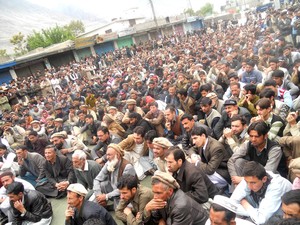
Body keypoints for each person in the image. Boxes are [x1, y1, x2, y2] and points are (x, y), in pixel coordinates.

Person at [228, 121, 286, 186]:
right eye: (251, 136)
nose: (253, 139)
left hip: (274, 178)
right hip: (255, 174)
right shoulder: (248, 144)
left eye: (257, 136)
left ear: (266, 136)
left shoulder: (275, 149)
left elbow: (269, 172)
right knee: (238, 162)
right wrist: (235, 178)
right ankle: (238, 192)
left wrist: (243, 179)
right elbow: (231, 160)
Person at [143, 171, 208, 225]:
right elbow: (155, 219)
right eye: (154, 192)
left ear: (170, 191)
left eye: (158, 193)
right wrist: (147, 210)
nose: (155, 197)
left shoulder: (181, 206)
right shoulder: (161, 198)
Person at [93, 143, 136, 209]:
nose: (107, 157)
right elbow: (97, 179)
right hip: (114, 191)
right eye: (107, 155)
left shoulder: (127, 167)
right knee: (102, 185)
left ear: (117, 155)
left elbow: (125, 189)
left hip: (126, 193)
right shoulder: (109, 163)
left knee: (123, 211)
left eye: (109, 155)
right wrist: (99, 196)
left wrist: (106, 196)